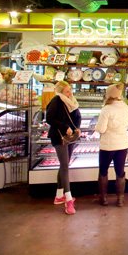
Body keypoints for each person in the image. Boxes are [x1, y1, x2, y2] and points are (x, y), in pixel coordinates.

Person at [45, 81, 81, 215]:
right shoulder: (56, 101)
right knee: (65, 166)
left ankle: (58, 196)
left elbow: (77, 116)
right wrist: (64, 127)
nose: (70, 93)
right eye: (67, 91)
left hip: (71, 137)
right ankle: (69, 200)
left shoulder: (72, 101)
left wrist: (77, 127)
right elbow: (49, 118)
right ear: (60, 92)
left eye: (70, 90)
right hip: (59, 137)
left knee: (64, 165)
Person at [95, 83, 128, 207]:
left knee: (103, 171)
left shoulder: (106, 109)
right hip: (122, 144)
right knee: (120, 172)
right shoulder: (126, 107)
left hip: (108, 145)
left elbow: (101, 129)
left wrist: (95, 127)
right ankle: (120, 200)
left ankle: (104, 198)